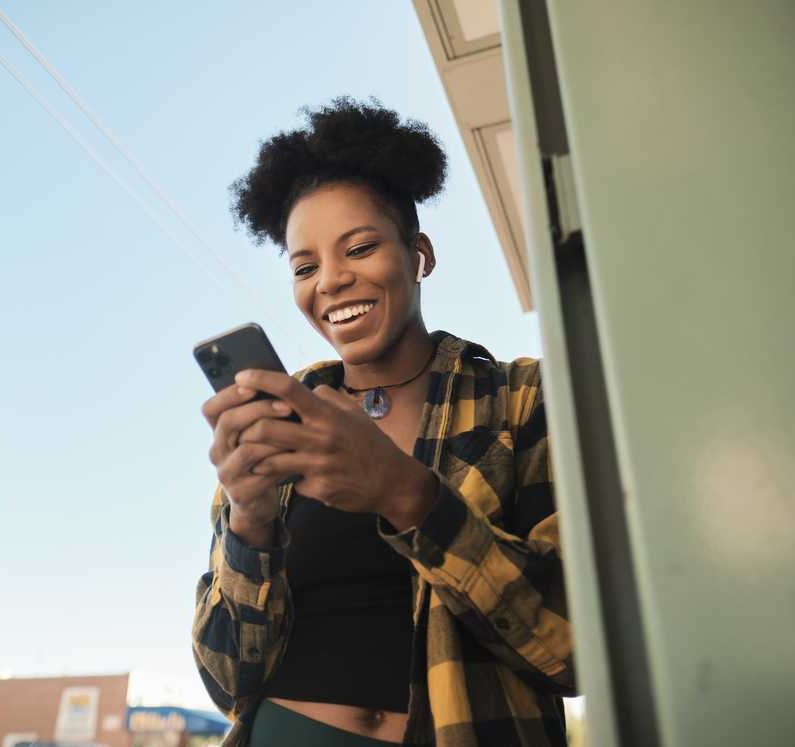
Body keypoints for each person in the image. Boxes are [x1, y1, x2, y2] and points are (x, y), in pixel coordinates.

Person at [191, 97, 573, 747]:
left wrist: (404, 493)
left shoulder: (524, 398)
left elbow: (570, 646)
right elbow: (229, 679)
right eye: (305, 266)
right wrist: (249, 523)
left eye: (360, 247)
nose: (332, 281)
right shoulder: (281, 421)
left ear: (419, 254)